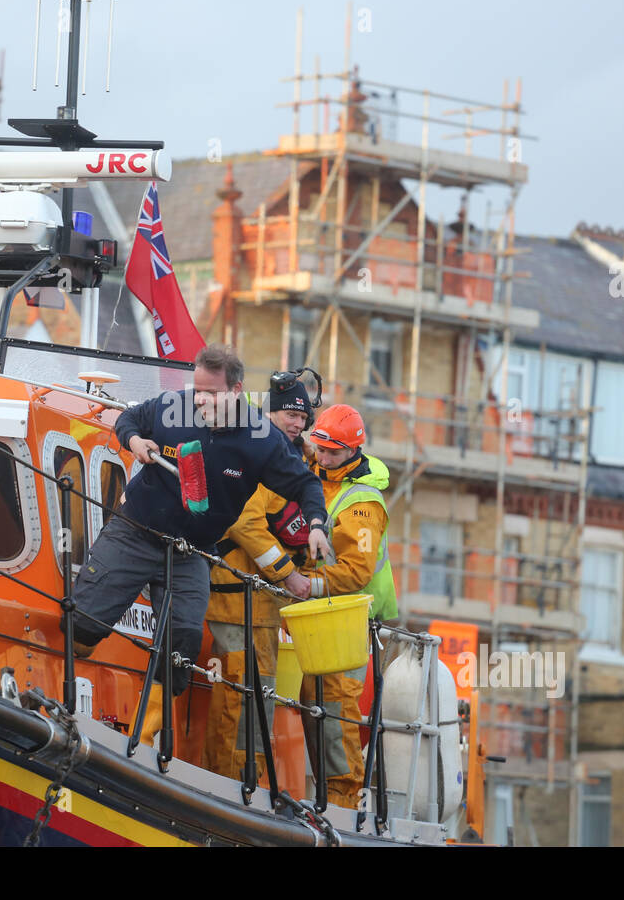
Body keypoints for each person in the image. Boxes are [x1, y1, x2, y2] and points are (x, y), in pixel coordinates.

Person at [65, 345, 332, 742]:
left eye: (211, 392)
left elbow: (307, 483)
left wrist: (315, 524)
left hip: (191, 553)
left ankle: (145, 739)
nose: (201, 399)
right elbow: (130, 419)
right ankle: (65, 706)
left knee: (181, 647)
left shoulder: (261, 440)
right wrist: (135, 441)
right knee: (82, 624)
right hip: (135, 531)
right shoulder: (173, 406)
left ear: (237, 390)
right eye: (198, 390)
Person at [201, 378, 316, 780]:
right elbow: (245, 522)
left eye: (303, 416)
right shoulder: (257, 454)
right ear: (270, 413)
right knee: (236, 698)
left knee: (260, 701)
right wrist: (289, 575)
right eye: (290, 414)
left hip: (262, 607)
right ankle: (225, 783)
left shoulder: (287, 461)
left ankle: (252, 783)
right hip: (236, 604)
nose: (298, 423)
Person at [297, 403, 398, 808]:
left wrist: (308, 584)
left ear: (353, 451)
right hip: (324, 613)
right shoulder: (320, 475)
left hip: (353, 618)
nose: (323, 458)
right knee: (313, 700)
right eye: (319, 449)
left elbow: (357, 571)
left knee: (335, 708)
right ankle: (328, 794)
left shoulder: (364, 503)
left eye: (332, 453)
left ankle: (344, 800)